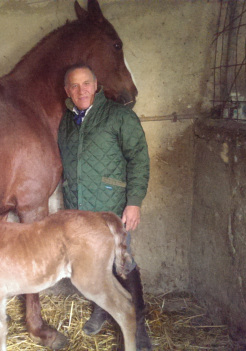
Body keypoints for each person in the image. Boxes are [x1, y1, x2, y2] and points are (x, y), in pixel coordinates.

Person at [57, 63, 151, 349]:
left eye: (86, 83)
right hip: (79, 208)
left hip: (111, 206)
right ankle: (101, 308)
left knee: (122, 262)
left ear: (96, 85)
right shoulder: (66, 122)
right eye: (74, 85)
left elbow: (139, 159)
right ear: (67, 91)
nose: (80, 90)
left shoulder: (119, 116)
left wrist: (134, 202)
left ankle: (138, 327)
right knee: (93, 264)